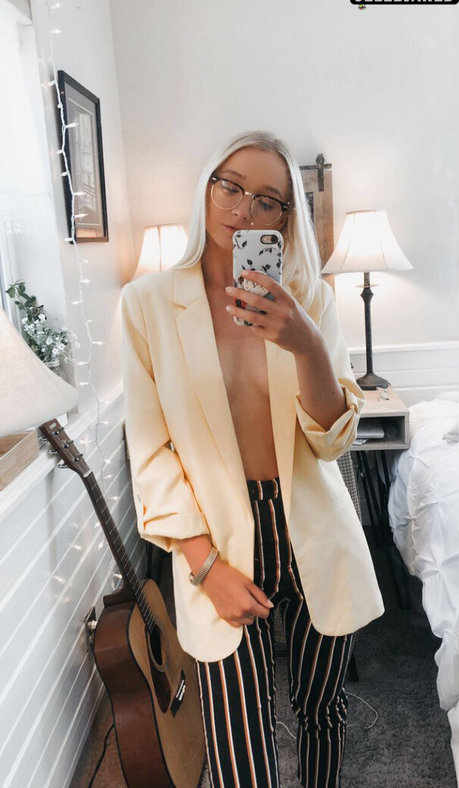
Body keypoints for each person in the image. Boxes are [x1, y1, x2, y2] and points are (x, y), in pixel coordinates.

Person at [121, 130, 384, 787]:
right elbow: (151, 453)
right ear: (207, 187)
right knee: (237, 736)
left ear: (285, 219)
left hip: (312, 525)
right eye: (230, 187)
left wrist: (307, 345)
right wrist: (204, 566)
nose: (243, 210)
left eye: (267, 200)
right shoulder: (146, 305)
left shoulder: (309, 299)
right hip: (217, 538)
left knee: (323, 711)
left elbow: (332, 442)